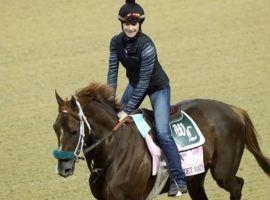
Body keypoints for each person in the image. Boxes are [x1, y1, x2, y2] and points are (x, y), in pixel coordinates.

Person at [107, 0, 187, 197]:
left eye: (134, 24)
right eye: (126, 24)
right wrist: (109, 100)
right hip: (136, 84)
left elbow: (144, 82)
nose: (130, 27)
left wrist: (128, 109)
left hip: (157, 88)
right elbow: (112, 73)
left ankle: (179, 179)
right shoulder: (115, 42)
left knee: (162, 132)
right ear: (121, 24)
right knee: (114, 117)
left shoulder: (147, 46)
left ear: (140, 24)